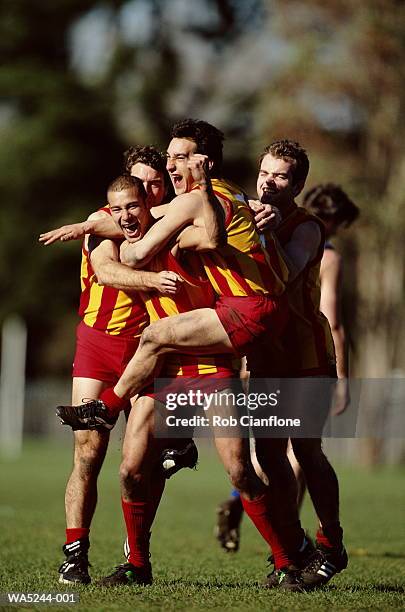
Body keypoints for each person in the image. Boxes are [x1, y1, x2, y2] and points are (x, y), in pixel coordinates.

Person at [53, 120, 315, 590]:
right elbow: (112, 266)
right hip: (167, 367)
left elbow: (210, 236)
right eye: (146, 182)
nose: (158, 183)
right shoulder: (127, 221)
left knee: (239, 467)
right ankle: (137, 565)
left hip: (211, 353)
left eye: (163, 174)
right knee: (132, 469)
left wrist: (232, 206)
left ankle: (288, 558)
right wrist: (98, 226)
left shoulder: (184, 216)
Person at [50, 146, 197, 586]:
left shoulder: (166, 222)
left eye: (154, 184)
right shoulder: (107, 220)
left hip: (149, 352)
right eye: (138, 184)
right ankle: (75, 553)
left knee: (139, 465)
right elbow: (108, 272)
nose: (147, 193)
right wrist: (153, 279)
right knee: (88, 451)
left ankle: (137, 558)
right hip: (97, 343)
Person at [216, 143, 351, 590]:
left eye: (280, 177)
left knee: (307, 451)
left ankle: (331, 544)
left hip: (307, 356)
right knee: (269, 453)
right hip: (267, 356)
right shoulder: (246, 216)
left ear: (298, 186)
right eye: (263, 172)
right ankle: (292, 553)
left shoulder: (306, 227)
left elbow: (285, 274)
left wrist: (263, 233)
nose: (267, 182)